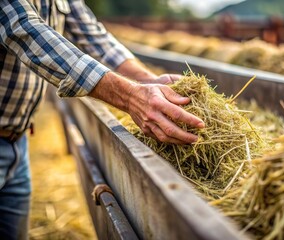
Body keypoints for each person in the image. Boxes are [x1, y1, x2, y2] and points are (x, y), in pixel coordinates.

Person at [0, 0, 205, 239]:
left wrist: (149, 81)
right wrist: (130, 97)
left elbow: (96, 38)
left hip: (17, 141)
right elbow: (25, 31)